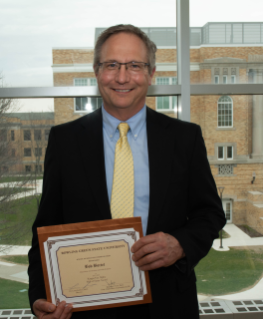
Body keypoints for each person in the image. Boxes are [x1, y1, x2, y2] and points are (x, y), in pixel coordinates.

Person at [28, 24, 226, 319]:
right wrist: (39, 297)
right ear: (97, 71)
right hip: (86, 308)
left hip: (167, 304)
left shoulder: (184, 138)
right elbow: (45, 228)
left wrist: (180, 244)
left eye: (135, 65)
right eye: (111, 65)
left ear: (151, 73)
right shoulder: (65, 140)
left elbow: (210, 214)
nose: (122, 77)